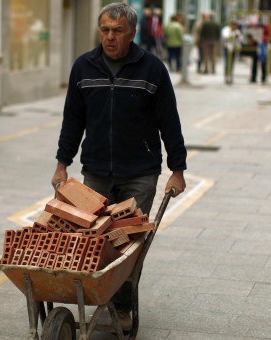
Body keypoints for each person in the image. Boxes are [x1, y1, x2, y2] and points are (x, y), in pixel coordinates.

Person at [50, 3, 187, 332]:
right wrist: (61, 165)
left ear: (132, 33)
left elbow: (169, 121)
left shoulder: (152, 69)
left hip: (140, 173)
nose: (109, 37)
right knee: (95, 241)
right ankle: (100, 299)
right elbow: (73, 121)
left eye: (117, 31)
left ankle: (123, 307)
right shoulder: (84, 67)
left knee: (127, 246)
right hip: (95, 171)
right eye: (104, 30)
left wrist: (178, 169)